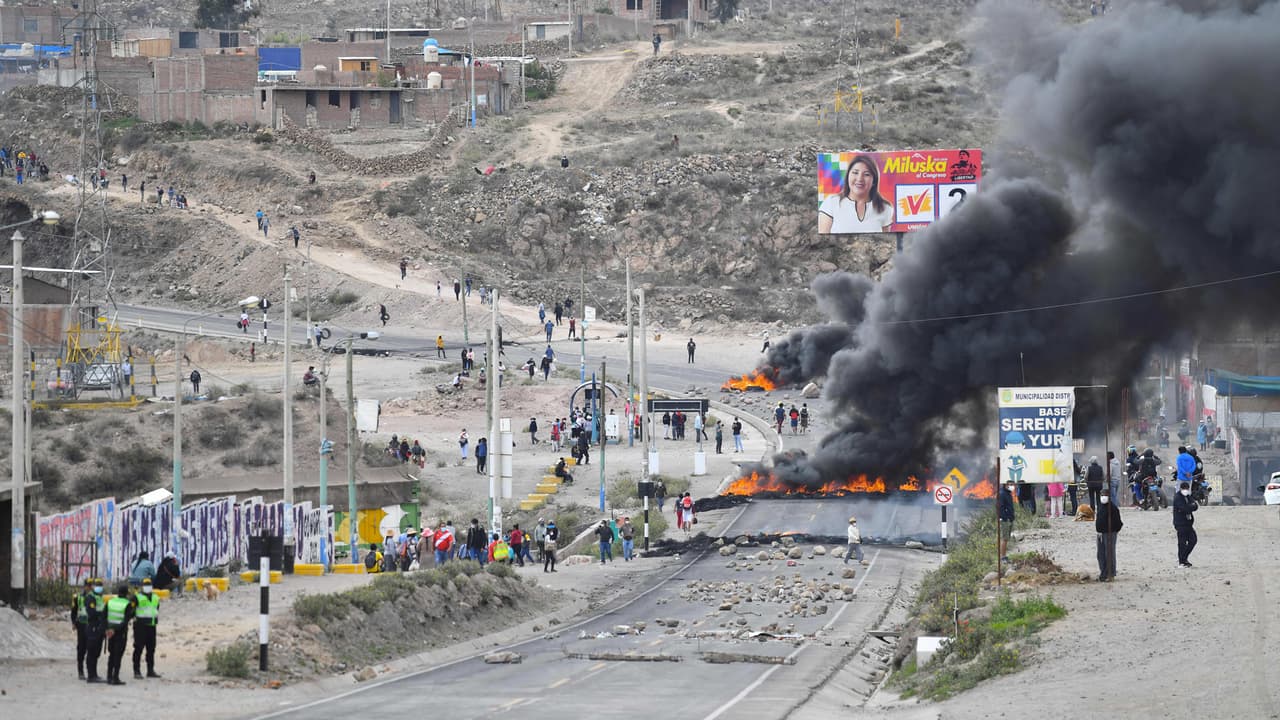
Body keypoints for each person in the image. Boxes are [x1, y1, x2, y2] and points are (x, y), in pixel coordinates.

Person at [818, 155, 894, 233]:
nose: (859, 179)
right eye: (855, 172)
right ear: (848, 176)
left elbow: (885, 239)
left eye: (866, 174)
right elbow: (822, 239)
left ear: (874, 180)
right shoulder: (831, 202)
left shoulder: (885, 208)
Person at [105, 584, 135, 685]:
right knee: (118, 655)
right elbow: (125, 621)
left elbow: (103, 616)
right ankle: (115, 677)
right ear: (126, 594)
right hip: (120, 633)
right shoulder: (127, 604)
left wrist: (108, 629)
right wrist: (115, 630)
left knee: (111, 654)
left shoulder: (110, 602)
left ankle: (109, 677)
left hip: (110, 632)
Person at [131, 578, 161, 679]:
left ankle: (150, 670)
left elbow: (156, 609)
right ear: (142, 586)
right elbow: (131, 611)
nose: (147, 586)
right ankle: (136, 671)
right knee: (138, 648)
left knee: (151, 649)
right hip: (140, 626)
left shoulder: (156, 597)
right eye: (145, 585)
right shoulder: (136, 597)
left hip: (152, 626)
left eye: (149, 584)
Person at [83, 578, 108, 683]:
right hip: (93, 627)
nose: (99, 587)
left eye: (100, 585)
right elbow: (92, 613)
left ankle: (94, 674)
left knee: (97, 652)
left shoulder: (100, 597)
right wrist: (102, 615)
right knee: (92, 652)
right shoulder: (90, 597)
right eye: (97, 585)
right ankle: (90, 675)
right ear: (93, 586)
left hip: (100, 628)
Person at [1095, 488, 1123, 581]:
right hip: (1100, 533)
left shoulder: (1113, 508)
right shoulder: (1100, 506)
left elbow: (1118, 523)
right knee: (1101, 554)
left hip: (1110, 533)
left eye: (1105, 495)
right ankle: (1103, 572)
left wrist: (1113, 531)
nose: (1103, 497)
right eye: (1102, 495)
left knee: (1109, 553)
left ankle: (1111, 573)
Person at [72, 577, 94, 679]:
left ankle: (90, 671)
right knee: (81, 648)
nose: (90, 588)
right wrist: (73, 623)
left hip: (91, 625)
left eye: (91, 586)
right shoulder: (78, 597)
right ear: (85, 586)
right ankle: (80, 671)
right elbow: (74, 610)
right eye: (88, 586)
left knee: (91, 648)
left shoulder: (95, 597)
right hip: (81, 624)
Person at [1174, 481, 1199, 567]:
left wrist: (1190, 506)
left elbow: (1195, 506)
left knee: (1193, 540)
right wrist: (1190, 506)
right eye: (1184, 489)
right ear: (1181, 489)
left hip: (1188, 523)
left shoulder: (1188, 496)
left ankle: (1184, 558)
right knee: (1182, 543)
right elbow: (1184, 508)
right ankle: (1181, 561)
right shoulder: (1177, 497)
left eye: (1187, 489)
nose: (1185, 491)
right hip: (1180, 523)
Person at [998, 480, 1016, 563]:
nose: (1012, 486)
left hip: (1009, 519)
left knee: (1006, 538)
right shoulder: (1002, 494)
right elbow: (1000, 508)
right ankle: (1003, 557)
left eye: (1013, 484)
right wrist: (1005, 518)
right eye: (1010, 484)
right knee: (1004, 538)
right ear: (1006, 484)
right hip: (1005, 520)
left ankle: (1004, 555)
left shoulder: (1008, 493)